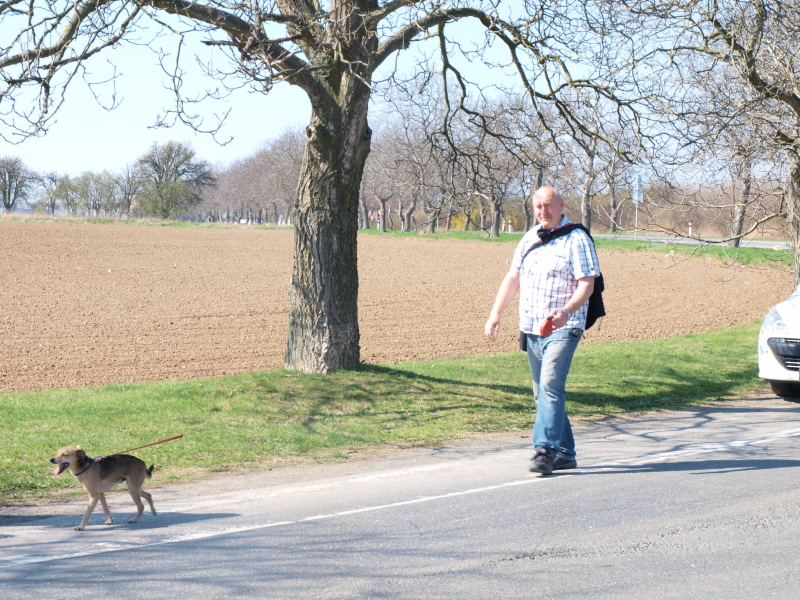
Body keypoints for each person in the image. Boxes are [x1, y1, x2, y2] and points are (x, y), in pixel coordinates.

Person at [484, 186, 600, 475]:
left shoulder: (577, 238)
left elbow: (587, 284)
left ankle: (543, 450)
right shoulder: (529, 238)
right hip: (532, 326)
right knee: (543, 393)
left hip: (565, 326)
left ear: (561, 205)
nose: (543, 211)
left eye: (548, 205)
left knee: (550, 386)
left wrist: (567, 311)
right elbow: (513, 278)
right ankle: (566, 453)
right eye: (538, 207)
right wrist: (495, 314)